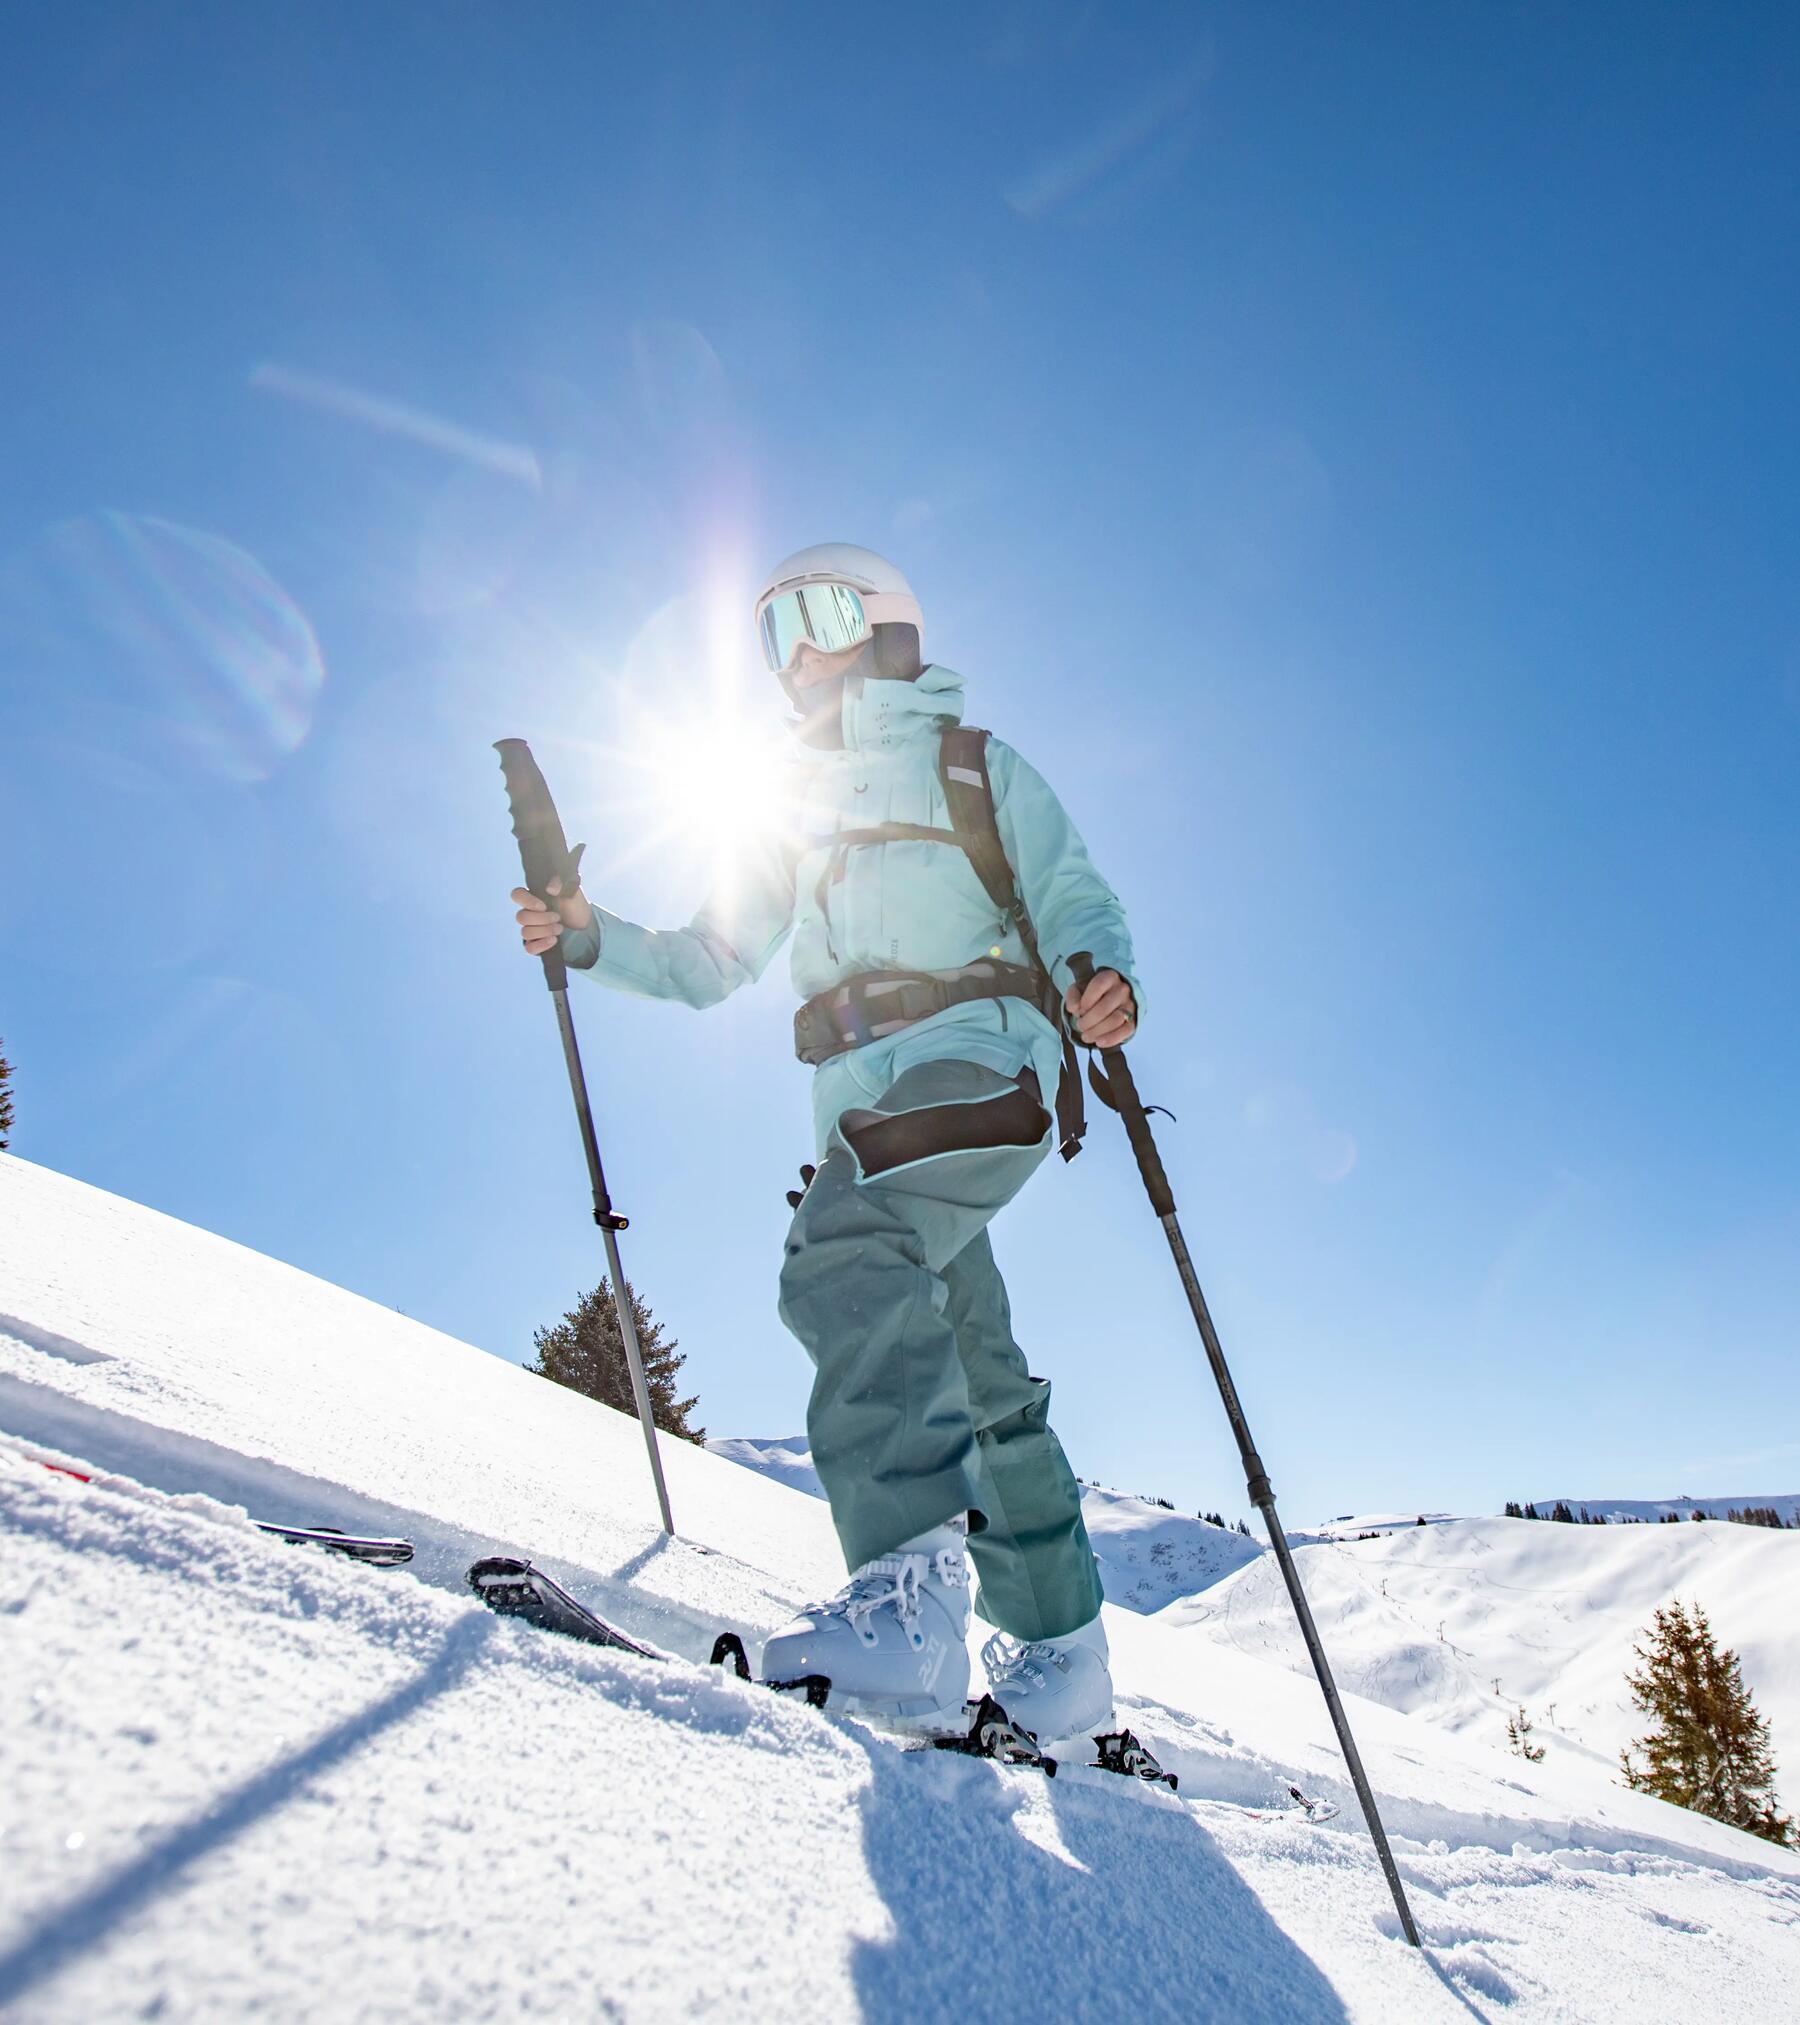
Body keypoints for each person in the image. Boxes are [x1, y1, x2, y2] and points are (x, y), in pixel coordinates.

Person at [511, 543, 1140, 1741]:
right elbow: (711, 958)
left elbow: (1073, 894)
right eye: (773, 629)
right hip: (868, 1111)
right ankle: (1064, 1657)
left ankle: (908, 1610)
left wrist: (1098, 976)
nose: (799, 647)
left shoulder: (970, 764)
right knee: (976, 1363)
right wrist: (589, 936)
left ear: (890, 624)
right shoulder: (788, 812)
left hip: (987, 1057)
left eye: (824, 611)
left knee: (843, 1248)